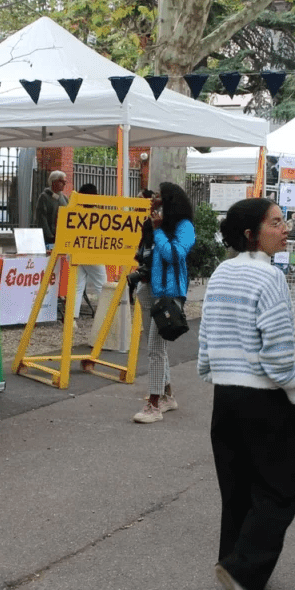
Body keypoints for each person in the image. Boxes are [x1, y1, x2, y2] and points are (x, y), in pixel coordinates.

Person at [198, 197, 295, 590]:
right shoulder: (270, 278)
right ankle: (244, 573)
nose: (285, 228)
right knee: (278, 493)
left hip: (225, 396)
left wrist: (213, 372)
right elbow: (278, 353)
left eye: (284, 221)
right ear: (251, 234)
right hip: (266, 397)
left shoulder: (223, 272)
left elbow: (207, 333)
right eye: (276, 223)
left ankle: (233, 560)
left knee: (237, 485)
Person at [132, 181, 195, 423]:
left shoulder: (184, 227)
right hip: (148, 288)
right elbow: (144, 254)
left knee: (155, 349)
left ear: (169, 200)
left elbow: (175, 254)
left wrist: (158, 230)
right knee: (155, 347)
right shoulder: (153, 223)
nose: (152, 198)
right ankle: (167, 396)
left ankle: (154, 404)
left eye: (157, 196)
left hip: (168, 293)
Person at [73, 182, 107, 315]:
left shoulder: (74, 212)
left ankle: (73, 318)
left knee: (76, 287)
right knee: (102, 285)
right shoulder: (98, 214)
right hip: (92, 253)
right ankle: (106, 316)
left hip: (76, 252)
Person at [34, 170, 68, 249]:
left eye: (65, 181)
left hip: (62, 237)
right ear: (53, 182)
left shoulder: (64, 198)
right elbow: (42, 218)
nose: (64, 184)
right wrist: (49, 236)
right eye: (61, 181)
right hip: (49, 240)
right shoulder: (44, 197)